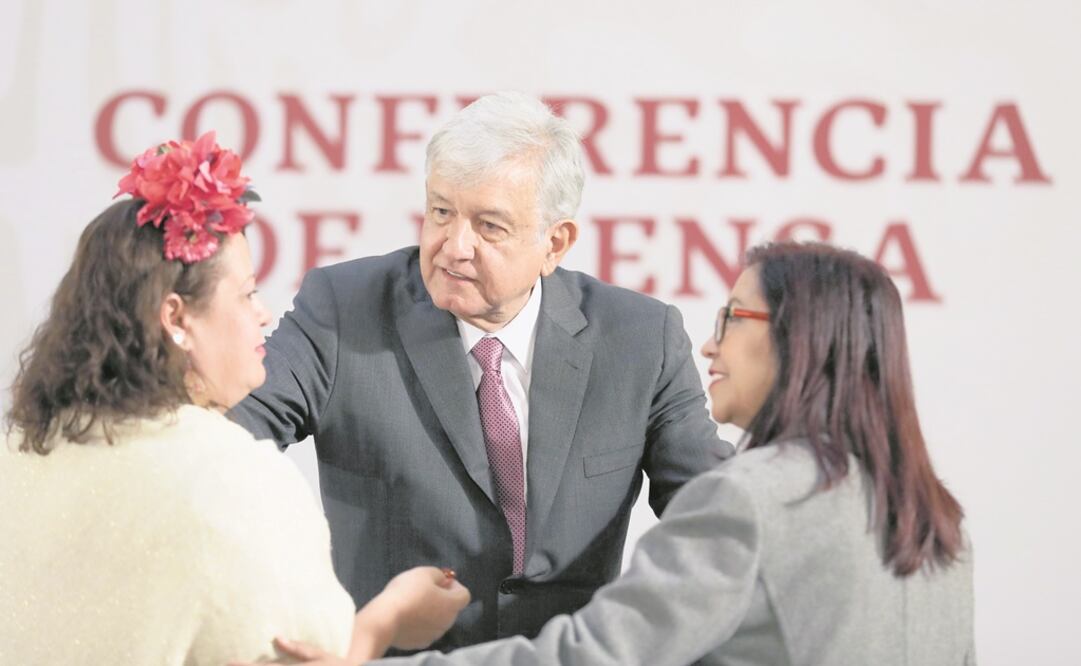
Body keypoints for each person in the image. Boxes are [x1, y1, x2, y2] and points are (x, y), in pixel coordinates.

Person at [272, 241, 973, 665]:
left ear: (803, 336)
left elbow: (592, 659)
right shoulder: (933, 515)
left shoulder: (747, 501)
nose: (709, 342)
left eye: (732, 316)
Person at [228, 91, 731, 650]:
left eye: (490, 226)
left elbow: (718, 517)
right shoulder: (344, 312)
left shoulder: (639, 340)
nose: (453, 247)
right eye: (441, 212)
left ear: (554, 243)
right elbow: (222, 440)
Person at [0, 133, 469, 665]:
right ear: (176, 318)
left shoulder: (18, 452)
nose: (264, 315)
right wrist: (387, 620)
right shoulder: (235, 476)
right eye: (247, 294)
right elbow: (307, 653)